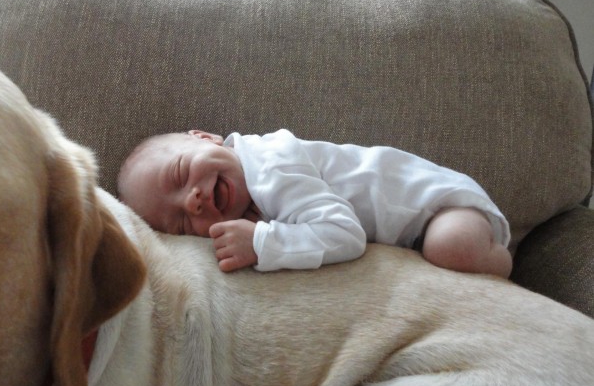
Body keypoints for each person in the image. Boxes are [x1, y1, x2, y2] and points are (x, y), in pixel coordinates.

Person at [117, 129, 512, 277]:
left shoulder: (270, 166)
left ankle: (505, 258)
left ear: (206, 137)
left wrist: (262, 243)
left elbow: (345, 234)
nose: (193, 200)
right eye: (183, 224)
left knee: (451, 248)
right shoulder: (247, 194)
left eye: (181, 171)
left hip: (438, 205)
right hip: (413, 231)